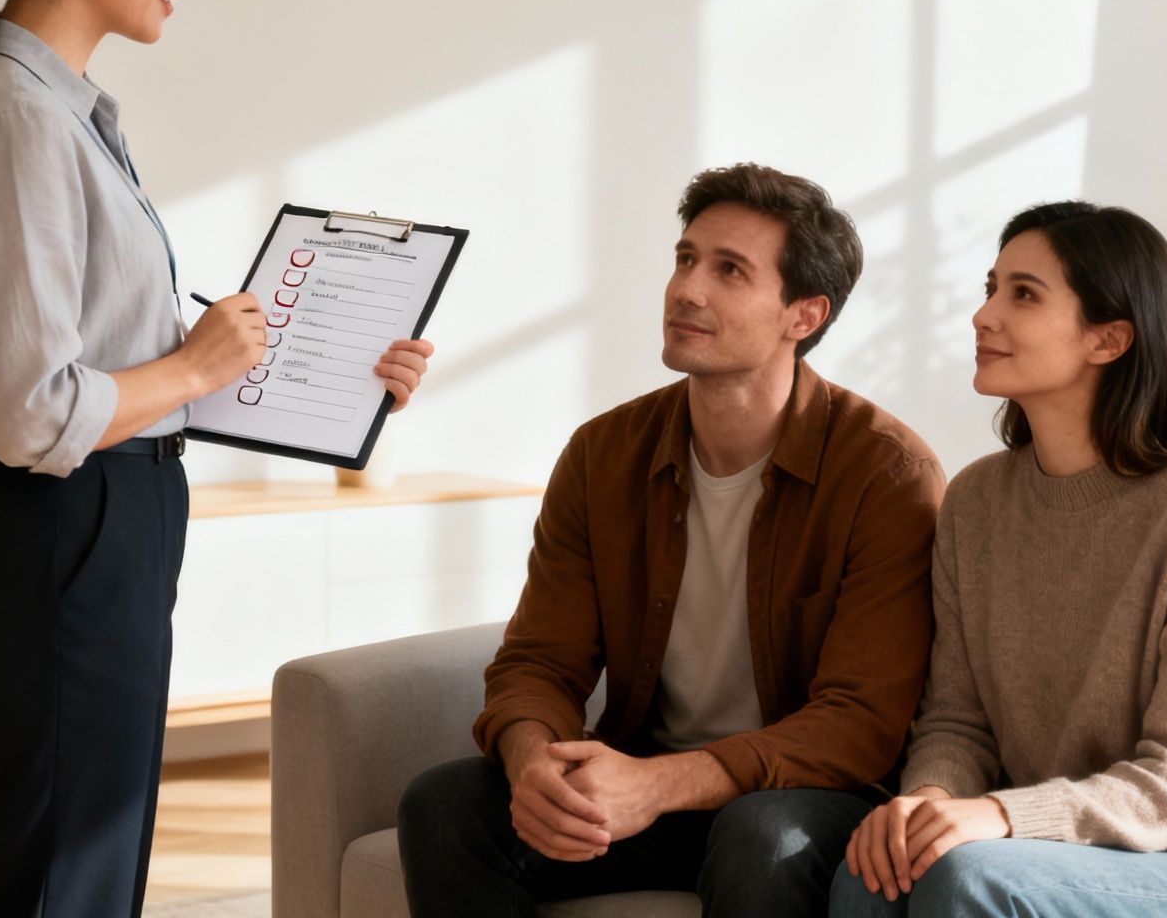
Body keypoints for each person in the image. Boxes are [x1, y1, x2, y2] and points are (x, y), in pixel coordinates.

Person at [0, 0, 434, 917]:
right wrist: (191, 365)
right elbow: (35, 412)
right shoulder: (21, 120)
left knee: (83, 878)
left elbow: (114, 369)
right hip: (57, 537)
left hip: (90, 536)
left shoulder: (66, 110)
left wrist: (325, 378)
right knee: (60, 890)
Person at [396, 163, 943, 918]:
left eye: (730, 271)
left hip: (805, 799)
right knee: (447, 804)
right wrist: (534, 764)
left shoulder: (888, 474)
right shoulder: (603, 453)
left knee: (760, 837)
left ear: (803, 316)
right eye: (686, 259)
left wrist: (660, 785)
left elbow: (859, 723)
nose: (688, 289)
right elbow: (540, 660)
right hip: (645, 777)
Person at [831, 200, 1167, 918]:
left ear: (1109, 339)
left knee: (967, 882)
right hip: (1050, 848)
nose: (983, 315)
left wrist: (1000, 816)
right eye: (989, 288)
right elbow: (958, 721)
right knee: (871, 874)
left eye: (1022, 294)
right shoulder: (977, 501)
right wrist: (928, 804)